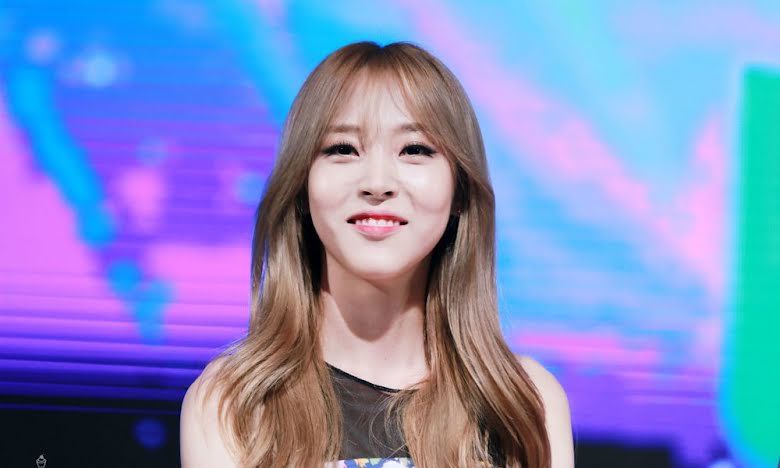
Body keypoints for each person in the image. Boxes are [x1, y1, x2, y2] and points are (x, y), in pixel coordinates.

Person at [180, 41, 574, 468]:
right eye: (343, 149)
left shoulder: (522, 403)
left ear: (460, 190)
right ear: (301, 186)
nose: (378, 183)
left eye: (414, 150)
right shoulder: (236, 404)